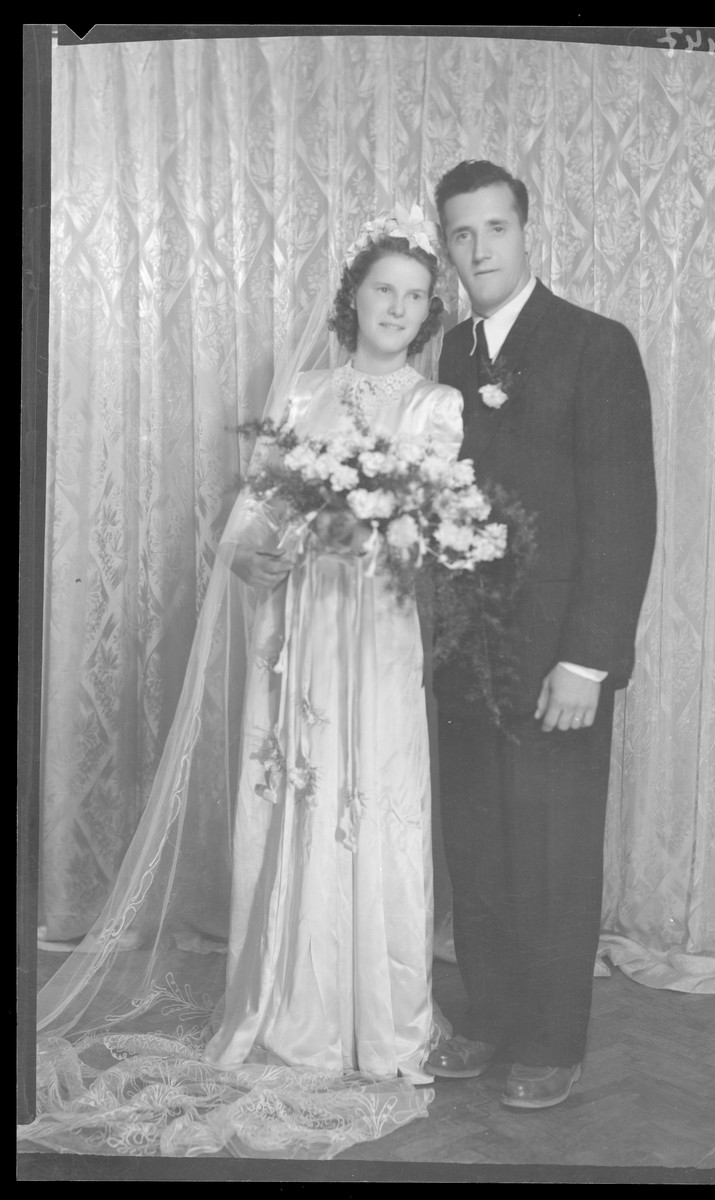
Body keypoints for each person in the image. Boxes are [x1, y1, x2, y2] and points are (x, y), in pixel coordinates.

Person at [21, 209, 464, 1158]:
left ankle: (378, 1021)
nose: (397, 307)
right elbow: (254, 515)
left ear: (429, 314)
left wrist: (369, 527)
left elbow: (424, 531)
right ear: (352, 298)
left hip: (374, 635)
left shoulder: (436, 407)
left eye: (416, 295)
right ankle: (286, 1003)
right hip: (297, 631)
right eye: (383, 289)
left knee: (370, 796)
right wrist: (258, 558)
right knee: (294, 792)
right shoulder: (301, 393)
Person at [427, 161, 657, 1110]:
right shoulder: (449, 353)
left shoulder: (595, 345)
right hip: (465, 655)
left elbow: (624, 512)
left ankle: (553, 1041)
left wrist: (588, 659)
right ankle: (489, 1019)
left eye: (495, 229)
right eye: (462, 235)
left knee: (554, 851)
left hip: (559, 655)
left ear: (527, 231)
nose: (479, 250)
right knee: (478, 847)